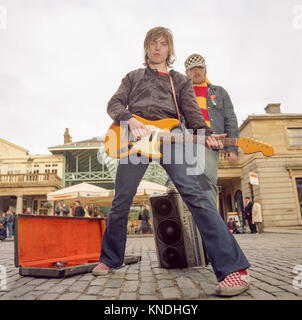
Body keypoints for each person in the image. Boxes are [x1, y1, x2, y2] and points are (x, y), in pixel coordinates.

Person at [92, 26, 251, 297]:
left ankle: (233, 268)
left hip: (173, 138)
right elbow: (114, 104)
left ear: (170, 49)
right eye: (153, 43)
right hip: (135, 138)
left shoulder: (180, 81)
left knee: (197, 195)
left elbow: (193, 114)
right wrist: (129, 119)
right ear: (146, 47)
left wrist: (208, 135)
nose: (157, 48)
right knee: (120, 201)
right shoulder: (132, 77)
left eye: (163, 44)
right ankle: (110, 258)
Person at [182, 53, 239, 208]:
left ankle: (212, 227)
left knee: (207, 184)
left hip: (210, 141)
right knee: (185, 186)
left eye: (199, 67)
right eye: (192, 69)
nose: (196, 71)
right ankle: (193, 228)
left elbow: (230, 119)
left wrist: (232, 148)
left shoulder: (219, 92)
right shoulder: (180, 93)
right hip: (186, 140)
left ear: (205, 69)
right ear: (186, 73)